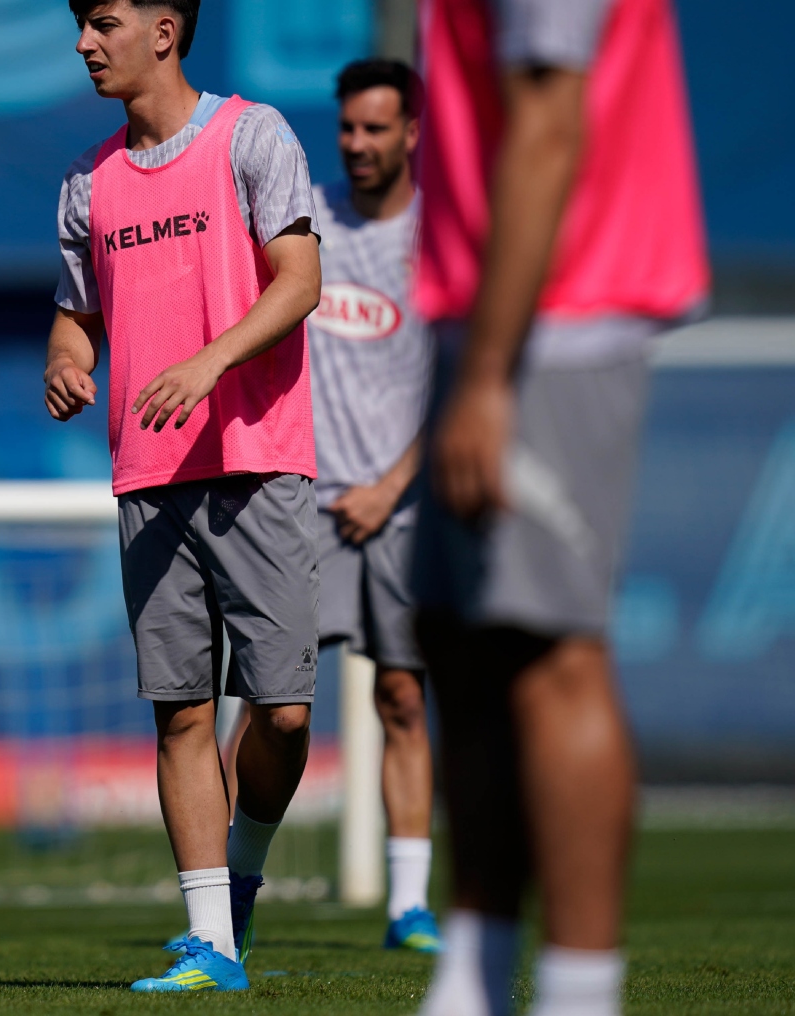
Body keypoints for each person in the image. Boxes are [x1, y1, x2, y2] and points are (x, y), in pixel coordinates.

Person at [409, 0, 708, 1013]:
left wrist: (490, 373)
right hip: (474, 317)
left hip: (551, 322)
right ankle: (477, 973)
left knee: (549, 657)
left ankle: (581, 991)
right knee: (465, 650)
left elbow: (548, 122)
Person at [45, 0, 323, 993]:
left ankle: (240, 877)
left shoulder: (255, 136)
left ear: (166, 28)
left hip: (258, 460)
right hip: (148, 478)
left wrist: (208, 362)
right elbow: (76, 316)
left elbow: (299, 283)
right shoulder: (86, 179)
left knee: (284, 713)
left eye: (103, 20)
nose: (84, 40)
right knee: (179, 714)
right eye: (79, 22)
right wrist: (67, 362)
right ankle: (211, 939)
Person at [307, 57, 440, 954]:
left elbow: (468, 382)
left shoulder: (442, 240)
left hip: (401, 508)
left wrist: (392, 485)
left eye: (375, 128)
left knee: (402, 696)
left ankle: (409, 906)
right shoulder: (303, 220)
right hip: (302, 506)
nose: (357, 143)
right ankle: (226, 906)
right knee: (269, 706)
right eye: (348, 127)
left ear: (413, 134)